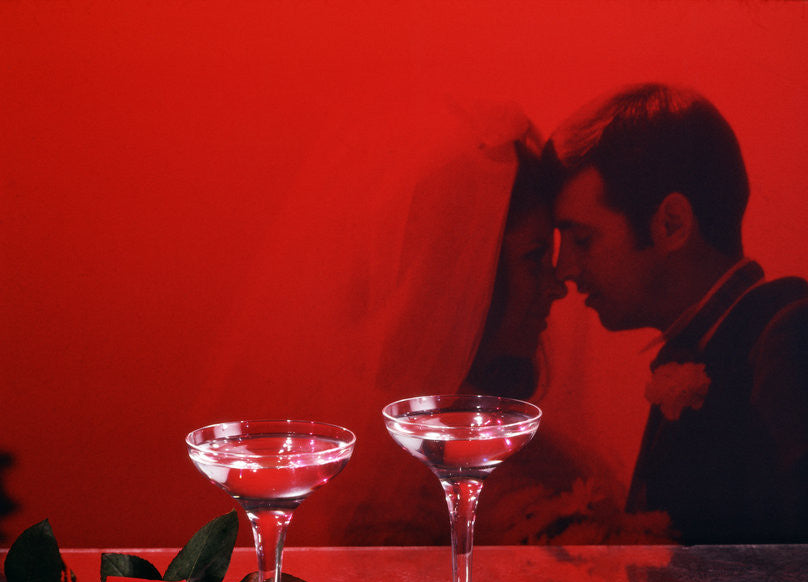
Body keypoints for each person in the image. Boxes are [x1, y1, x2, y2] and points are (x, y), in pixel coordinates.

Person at [195, 101, 568, 544]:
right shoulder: (396, 479)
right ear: (471, 277)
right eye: (533, 258)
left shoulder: (514, 440)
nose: (557, 286)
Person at [547, 83, 808, 543]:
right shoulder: (698, 345)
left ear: (672, 224)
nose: (565, 269)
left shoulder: (789, 335)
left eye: (583, 239)